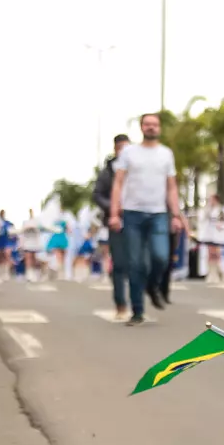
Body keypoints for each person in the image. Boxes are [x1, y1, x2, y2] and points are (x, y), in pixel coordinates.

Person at [110, 113, 189, 328]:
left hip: (158, 214)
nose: (151, 127)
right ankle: (137, 311)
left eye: (154, 124)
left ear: (159, 128)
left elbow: (171, 187)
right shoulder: (129, 153)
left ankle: (152, 286)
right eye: (147, 124)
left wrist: (176, 215)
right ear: (141, 127)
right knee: (135, 264)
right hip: (132, 213)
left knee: (161, 257)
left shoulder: (166, 154)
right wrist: (114, 213)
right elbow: (118, 183)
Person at [95, 135, 132, 318]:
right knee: (119, 263)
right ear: (116, 149)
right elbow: (97, 194)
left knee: (138, 262)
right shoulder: (107, 171)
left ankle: (137, 303)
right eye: (122, 148)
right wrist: (113, 208)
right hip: (116, 221)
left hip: (137, 220)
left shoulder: (138, 169)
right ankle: (120, 304)